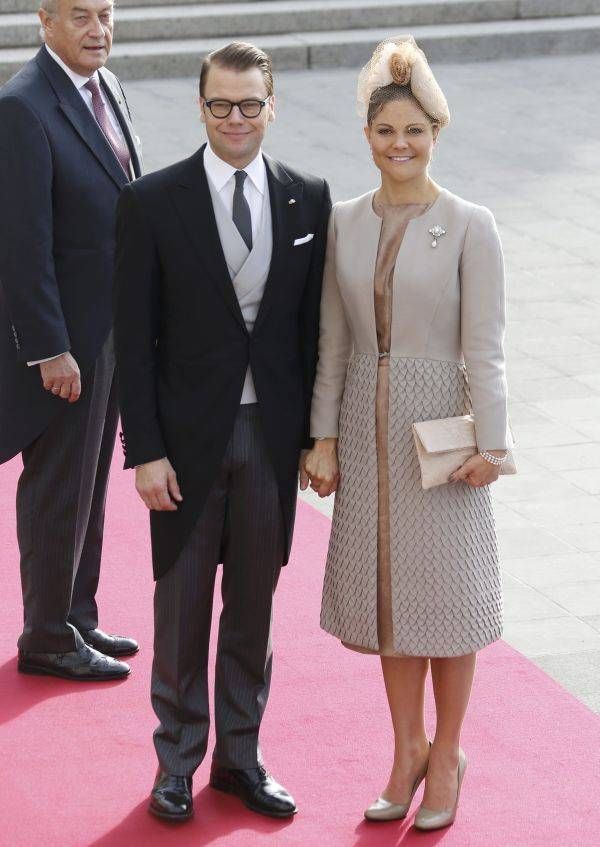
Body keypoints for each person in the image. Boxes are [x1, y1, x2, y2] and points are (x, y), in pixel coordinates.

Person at [114, 42, 331, 823]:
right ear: (199, 106)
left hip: (269, 441)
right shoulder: (151, 201)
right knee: (180, 611)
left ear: (272, 106)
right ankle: (175, 762)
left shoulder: (309, 198)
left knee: (253, 608)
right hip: (185, 443)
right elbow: (132, 341)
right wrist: (144, 451)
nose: (235, 120)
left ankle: (241, 757)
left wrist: (315, 437)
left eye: (249, 105)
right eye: (219, 105)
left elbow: (311, 332)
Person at [304, 36, 510, 832]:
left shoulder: (470, 223)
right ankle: (407, 748)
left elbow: (486, 345)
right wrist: (322, 436)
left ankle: (450, 750)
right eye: (386, 130)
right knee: (389, 597)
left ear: (436, 135)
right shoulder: (344, 222)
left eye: (414, 131)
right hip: (365, 418)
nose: (400, 144)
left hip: (444, 427)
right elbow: (333, 340)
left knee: (448, 599)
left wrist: (491, 444)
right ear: (366, 136)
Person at [0, 0, 140, 681]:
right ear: (45, 21)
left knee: (89, 481)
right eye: (80, 16)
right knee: (58, 484)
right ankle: (47, 634)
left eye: (107, 14)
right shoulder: (23, 108)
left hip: (109, 326)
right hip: (63, 343)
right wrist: (48, 347)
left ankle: (77, 613)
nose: (98, 30)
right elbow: (21, 244)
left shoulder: (107, 86)